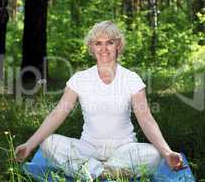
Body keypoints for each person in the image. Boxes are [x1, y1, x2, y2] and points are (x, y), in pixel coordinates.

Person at [15, 21, 184, 180]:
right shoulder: (80, 79)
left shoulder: (131, 78)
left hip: (124, 149)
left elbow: (146, 119)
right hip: (88, 148)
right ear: (91, 47)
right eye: (98, 43)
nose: (104, 48)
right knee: (48, 143)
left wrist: (167, 152)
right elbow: (57, 114)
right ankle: (106, 173)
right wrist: (29, 145)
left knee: (154, 155)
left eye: (109, 42)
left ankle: (93, 172)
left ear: (118, 45)